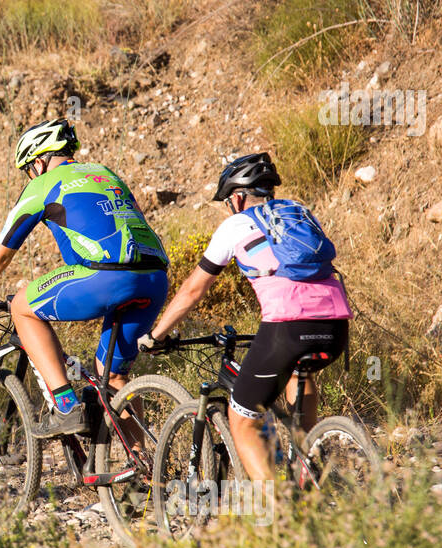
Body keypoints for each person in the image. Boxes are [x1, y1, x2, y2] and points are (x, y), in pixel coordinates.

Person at [0, 118, 169, 438]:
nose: (29, 176)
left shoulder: (41, 185)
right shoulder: (106, 174)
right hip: (155, 279)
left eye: (28, 169)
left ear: (39, 161)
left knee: (21, 307)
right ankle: (142, 467)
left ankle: (65, 406)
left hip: (105, 277)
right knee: (113, 377)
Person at [140, 152, 352, 480]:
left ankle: (278, 515)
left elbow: (193, 291)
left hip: (287, 329)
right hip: (336, 326)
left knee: (243, 422)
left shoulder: (235, 225)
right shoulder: (299, 213)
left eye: (227, 202)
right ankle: (309, 460)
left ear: (237, 198)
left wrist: (157, 335)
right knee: (300, 373)